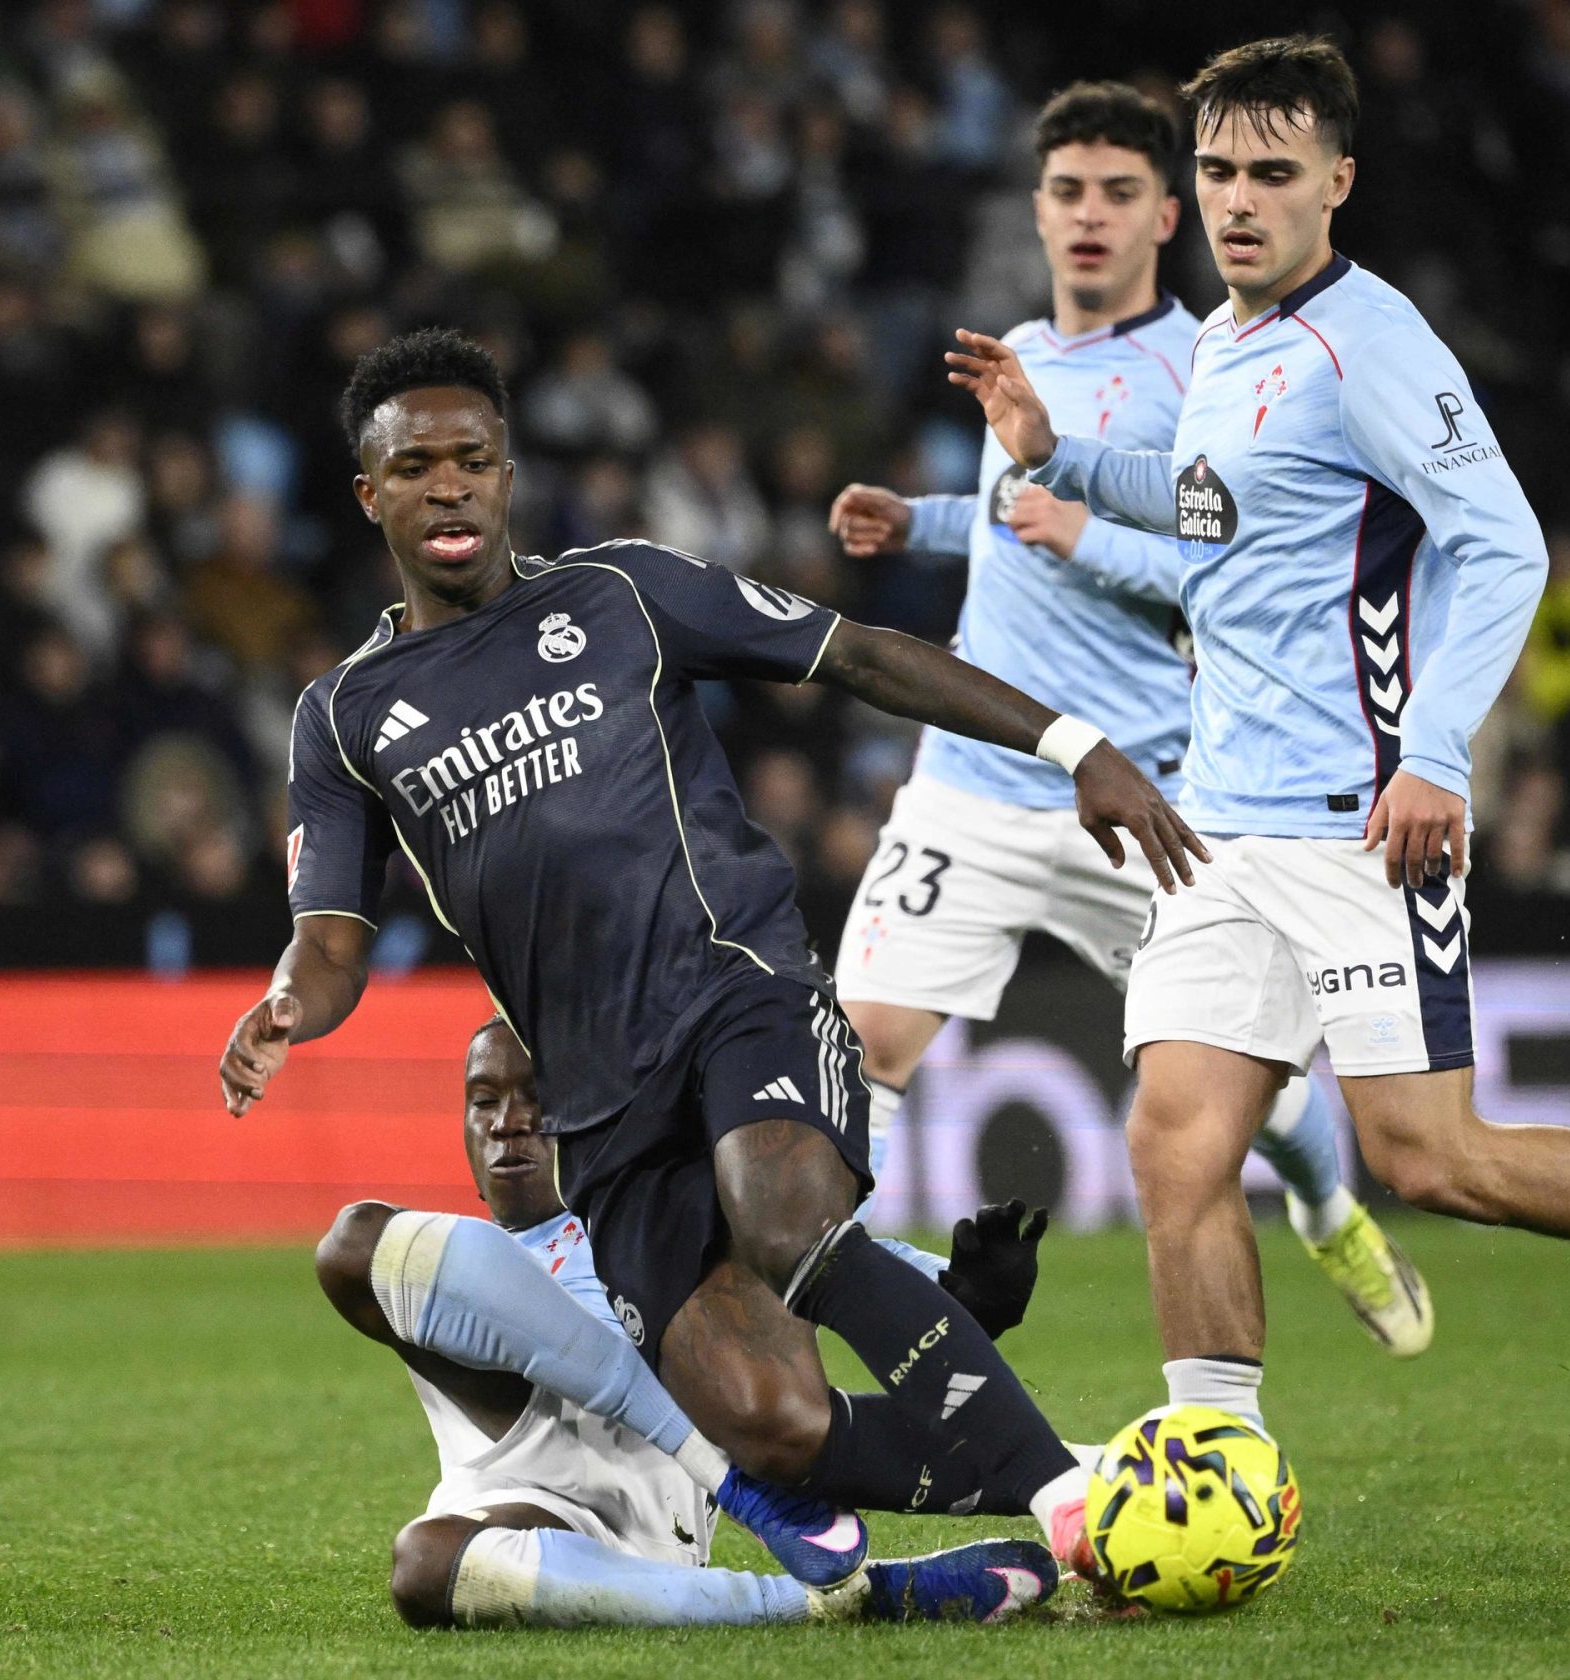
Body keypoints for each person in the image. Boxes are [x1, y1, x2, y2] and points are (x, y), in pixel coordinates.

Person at [943, 36, 1570, 1476]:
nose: (1238, 200)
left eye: (1272, 174)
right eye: (1221, 169)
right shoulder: (1231, 340)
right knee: (1177, 1147)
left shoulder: (1371, 346)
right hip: (1214, 828)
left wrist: (1437, 756)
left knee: (1434, 1164)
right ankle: (1219, 1468)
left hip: (1358, 822)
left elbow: (1506, 547)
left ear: (1338, 184)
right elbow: (1209, 511)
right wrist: (1053, 452)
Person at [218, 328, 1205, 1587]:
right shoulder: (346, 715)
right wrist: (288, 1005)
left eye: (473, 459)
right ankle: (1090, 1471)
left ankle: (1077, 1509)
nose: (448, 485)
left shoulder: (621, 592)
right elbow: (333, 938)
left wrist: (1073, 746)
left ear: (509, 473)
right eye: (416, 468)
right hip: (600, 1099)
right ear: (372, 495)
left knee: (787, 1218)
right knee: (768, 1419)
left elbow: (853, 653)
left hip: (738, 992)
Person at [826, 81, 1430, 1360]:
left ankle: (1330, 1207)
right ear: (1036, 212)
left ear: (1167, 213)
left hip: (1142, 795)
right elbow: (1012, 525)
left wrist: (1094, 535)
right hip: (977, 783)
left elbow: (1236, 568)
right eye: (1064, 193)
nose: (1086, 218)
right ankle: (881, 1294)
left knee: (1245, 1091)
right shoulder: (1019, 355)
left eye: (1115, 194)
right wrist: (923, 520)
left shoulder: (1203, 369)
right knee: (862, 1043)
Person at [312, 1020, 1057, 1629]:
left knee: (755, 1258)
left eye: (536, 1100)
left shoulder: (682, 1221)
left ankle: (1100, 1494)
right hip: (531, 1514)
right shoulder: (453, 1272)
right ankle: (841, 1597)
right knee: (424, 1561)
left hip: (655, 1530)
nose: (509, 1124)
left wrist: (971, 1300)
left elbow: (883, 1295)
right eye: (484, 1102)